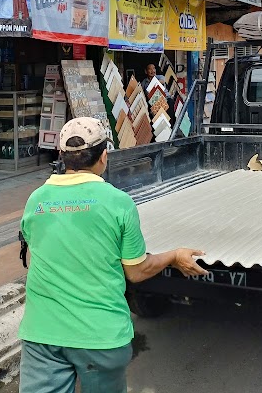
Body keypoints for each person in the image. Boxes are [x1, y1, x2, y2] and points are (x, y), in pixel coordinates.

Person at [18, 117, 207, 393]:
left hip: (42, 335)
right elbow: (137, 270)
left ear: (61, 156)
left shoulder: (35, 199)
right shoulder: (118, 203)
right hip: (101, 337)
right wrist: (174, 255)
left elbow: (38, 253)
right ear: (104, 156)